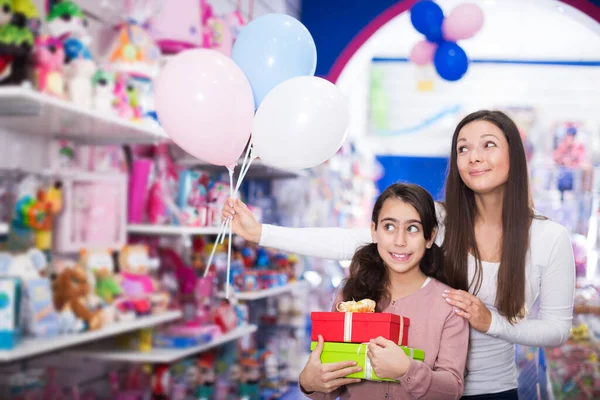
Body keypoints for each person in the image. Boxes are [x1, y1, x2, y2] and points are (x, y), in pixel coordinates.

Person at [223, 110, 576, 399]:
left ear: (514, 155)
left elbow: (558, 330)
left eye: (488, 145)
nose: (475, 157)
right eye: (463, 149)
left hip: (492, 391)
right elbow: (353, 241)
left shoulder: (549, 238)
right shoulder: (439, 220)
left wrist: (491, 322)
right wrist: (261, 233)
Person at [304, 183, 468, 399]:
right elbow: (325, 388)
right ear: (374, 231)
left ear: (430, 237)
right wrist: (308, 383)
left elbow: (452, 390)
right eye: (389, 227)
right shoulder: (350, 297)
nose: (400, 241)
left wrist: (406, 370)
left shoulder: (449, 305)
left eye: (412, 229)